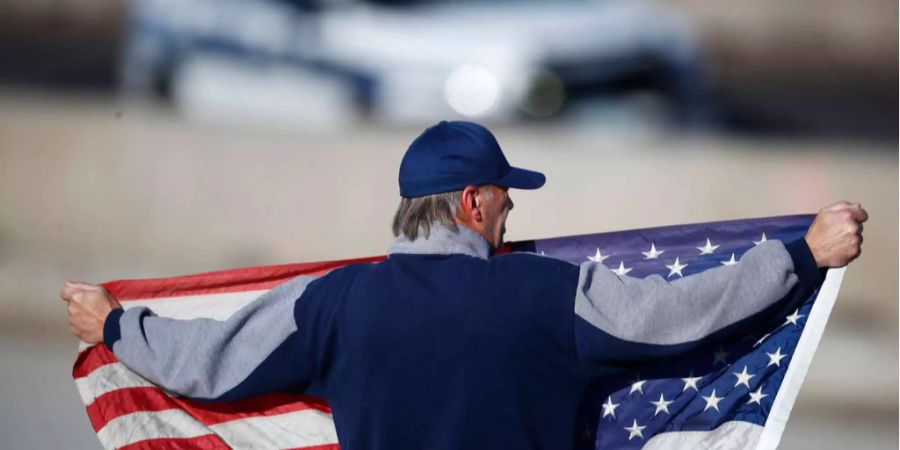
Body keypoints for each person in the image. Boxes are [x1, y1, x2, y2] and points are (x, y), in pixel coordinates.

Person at [63, 121, 867, 450]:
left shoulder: (335, 303)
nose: (512, 214)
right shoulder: (549, 295)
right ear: (475, 203)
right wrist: (802, 255)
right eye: (508, 199)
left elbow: (211, 362)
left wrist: (114, 327)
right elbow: (681, 313)